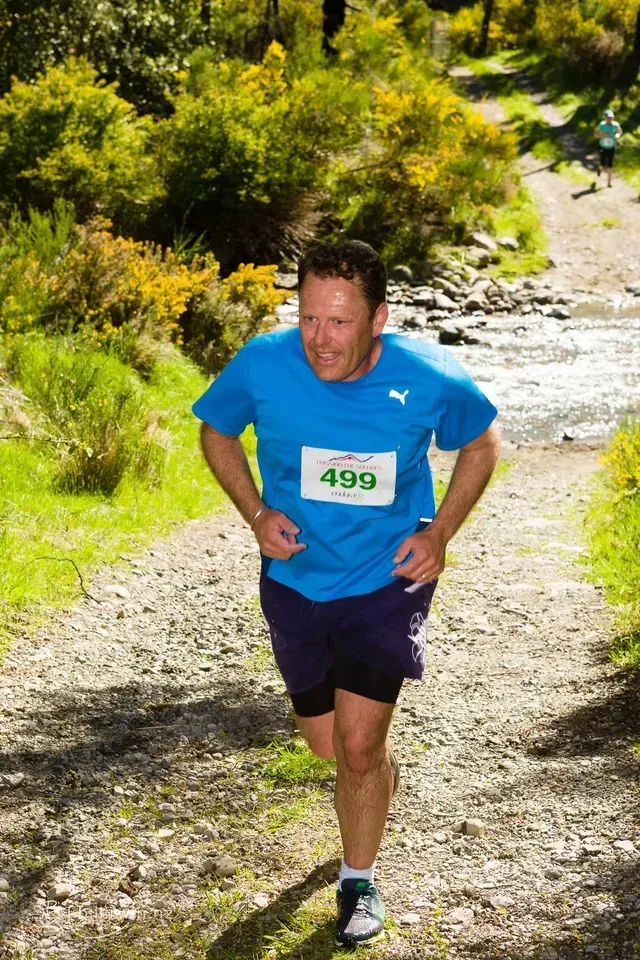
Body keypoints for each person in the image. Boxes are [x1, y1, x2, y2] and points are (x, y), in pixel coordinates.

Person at [192, 241, 500, 949]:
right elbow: (216, 431)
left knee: (359, 746)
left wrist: (441, 532)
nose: (320, 340)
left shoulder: (426, 375)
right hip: (297, 580)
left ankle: (358, 880)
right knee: (328, 745)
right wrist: (257, 515)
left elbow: (481, 443)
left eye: (338, 323)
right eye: (309, 319)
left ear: (378, 319)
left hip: (386, 581)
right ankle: (374, 773)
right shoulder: (265, 363)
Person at [595, 108, 622, 188]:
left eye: (611, 117)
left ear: (612, 118)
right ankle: (599, 169)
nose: (609, 119)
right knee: (602, 163)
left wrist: (617, 135)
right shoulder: (602, 125)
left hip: (611, 148)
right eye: (608, 117)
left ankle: (609, 182)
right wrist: (603, 135)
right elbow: (596, 135)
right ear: (605, 118)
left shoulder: (615, 125)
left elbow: (619, 131)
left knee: (610, 165)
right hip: (602, 147)